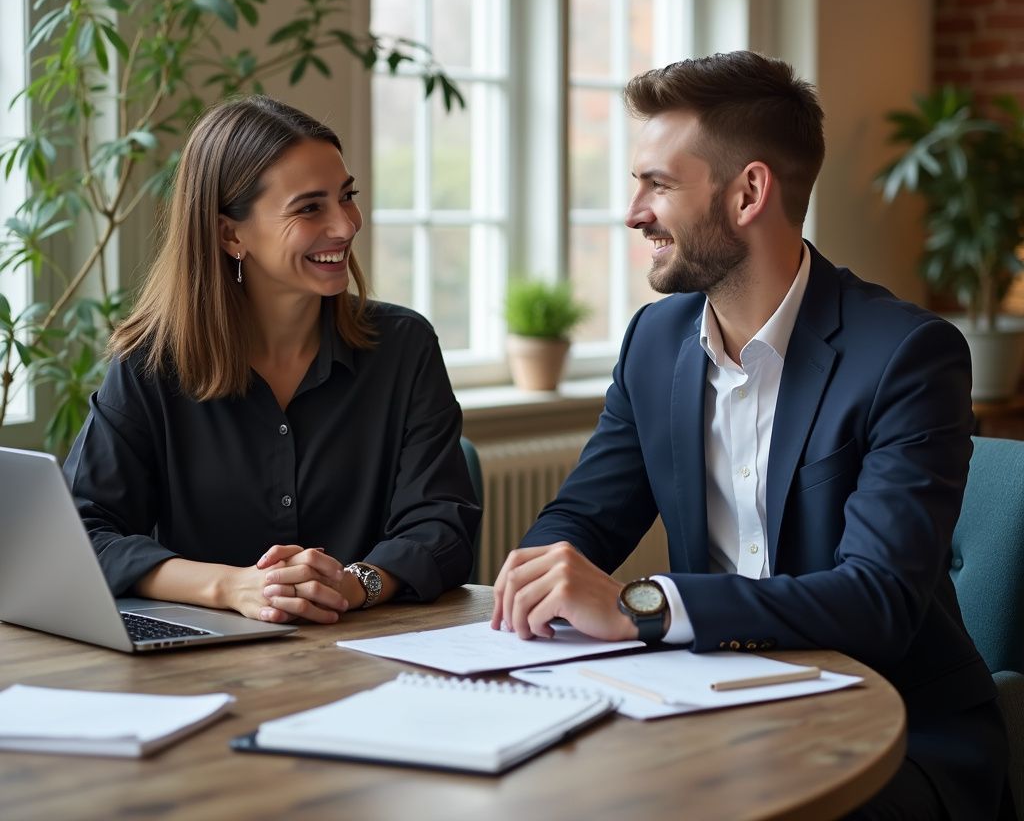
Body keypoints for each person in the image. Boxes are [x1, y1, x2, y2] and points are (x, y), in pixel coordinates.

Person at [491, 52, 1009, 819]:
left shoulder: (906, 355)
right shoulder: (655, 341)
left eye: (658, 185)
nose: (634, 213)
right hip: (709, 710)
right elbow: (587, 516)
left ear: (749, 193)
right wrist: (542, 575)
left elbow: (878, 602)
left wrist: (643, 606)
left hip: (897, 732)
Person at [67, 95, 480, 624]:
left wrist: (353, 585)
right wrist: (232, 586)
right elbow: (83, 534)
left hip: (366, 653)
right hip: (198, 664)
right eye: (310, 208)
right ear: (231, 234)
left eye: (346, 196)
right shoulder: (150, 362)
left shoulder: (404, 346)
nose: (345, 225)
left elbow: (443, 527)